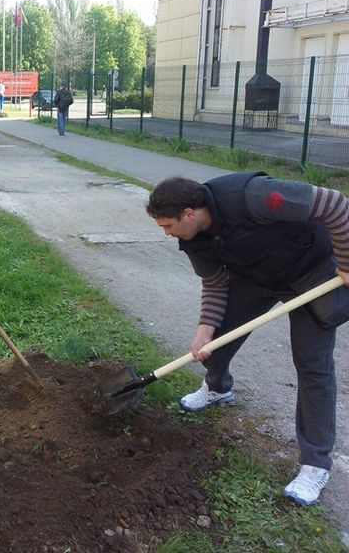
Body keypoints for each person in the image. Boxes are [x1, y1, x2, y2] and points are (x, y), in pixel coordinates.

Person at [146, 172, 349, 506]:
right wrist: (203, 331)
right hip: (255, 277)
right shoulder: (194, 238)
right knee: (215, 343)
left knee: (313, 365)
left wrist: (345, 259)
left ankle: (315, 464)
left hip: (313, 272)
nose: (167, 234)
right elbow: (214, 283)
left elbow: (334, 202)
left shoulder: (251, 195)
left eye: (168, 226)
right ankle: (217, 388)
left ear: (189, 213)